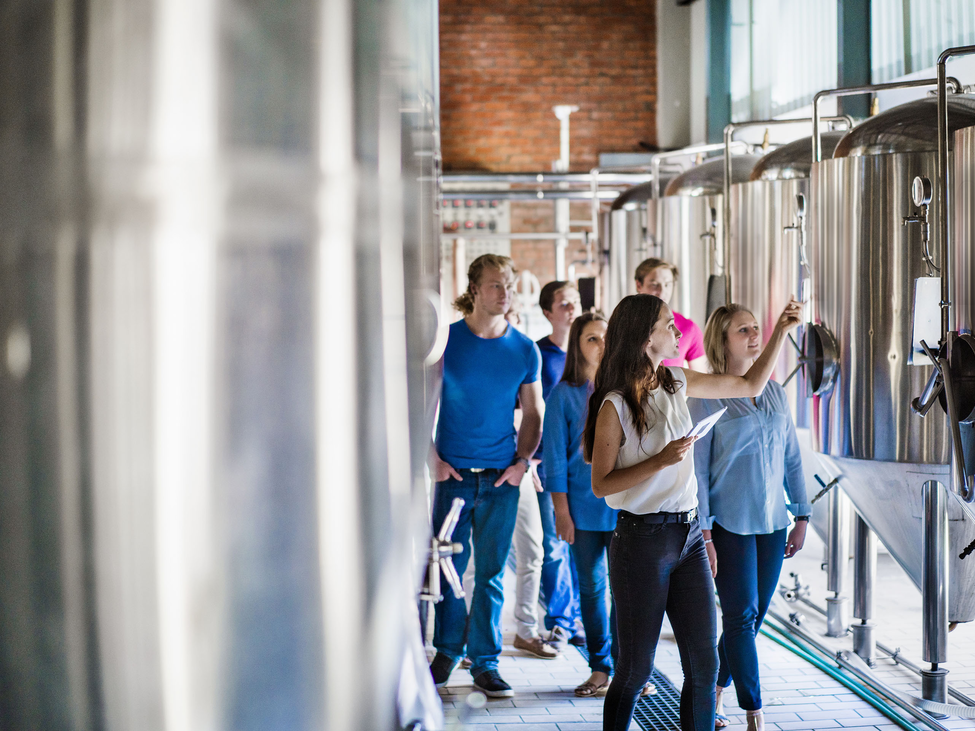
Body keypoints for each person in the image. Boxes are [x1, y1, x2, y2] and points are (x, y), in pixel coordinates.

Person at [584, 293, 801, 731]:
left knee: (703, 667)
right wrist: (659, 461)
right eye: (668, 324)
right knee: (635, 669)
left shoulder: (676, 381)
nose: (678, 331)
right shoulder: (615, 404)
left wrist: (780, 332)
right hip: (641, 542)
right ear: (647, 337)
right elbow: (601, 484)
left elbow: (749, 385)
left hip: (686, 538)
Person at [688, 305, 811, 731]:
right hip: (728, 525)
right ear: (722, 341)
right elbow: (697, 472)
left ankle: (715, 689)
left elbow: (792, 459)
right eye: (744, 330)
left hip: (774, 523)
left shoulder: (776, 393)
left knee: (754, 618)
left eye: (757, 328)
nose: (754, 335)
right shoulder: (705, 397)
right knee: (739, 616)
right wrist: (703, 533)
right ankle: (754, 712)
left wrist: (802, 514)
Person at [428, 254, 544, 698]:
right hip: (452, 476)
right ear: (474, 289)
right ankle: (446, 652)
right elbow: (419, 403)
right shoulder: (445, 342)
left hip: (500, 478)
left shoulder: (523, 348)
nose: (505, 293)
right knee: (450, 568)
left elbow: (534, 410)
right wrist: (430, 458)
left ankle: (486, 663)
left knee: (492, 573)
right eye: (496, 285)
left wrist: (522, 462)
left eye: (509, 285)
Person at [544, 312, 620, 697]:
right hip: (582, 509)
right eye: (592, 338)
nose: (601, 345)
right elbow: (555, 459)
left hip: (626, 508)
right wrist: (561, 511)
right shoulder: (564, 395)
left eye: (606, 338)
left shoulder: (625, 390)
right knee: (591, 590)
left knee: (627, 592)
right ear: (577, 345)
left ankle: (628, 669)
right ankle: (600, 667)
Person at [535, 281, 584, 648]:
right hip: (547, 466)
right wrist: (532, 461)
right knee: (554, 545)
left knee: (589, 547)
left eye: (576, 303)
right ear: (548, 312)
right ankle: (560, 620)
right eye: (564, 304)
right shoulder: (538, 356)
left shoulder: (596, 360)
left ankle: (585, 616)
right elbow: (524, 411)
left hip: (586, 472)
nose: (571, 309)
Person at [634, 258, 708, 371]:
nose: (662, 291)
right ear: (639, 285)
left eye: (667, 284)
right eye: (654, 284)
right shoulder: (623, 324)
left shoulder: (688, 327)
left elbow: (702, 378)